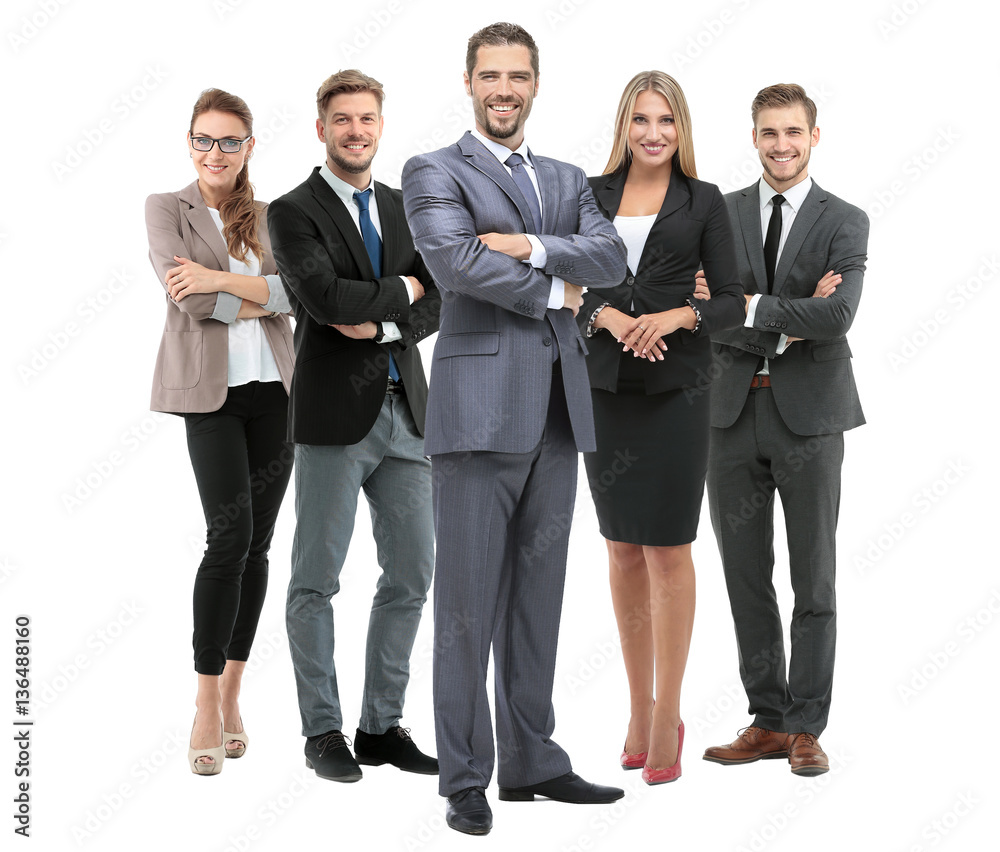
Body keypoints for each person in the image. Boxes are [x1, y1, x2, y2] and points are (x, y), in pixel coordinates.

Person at [401, 22, 628, 836]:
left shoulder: (567, 178)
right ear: (468, 82)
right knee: (464, 606)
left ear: (536, 84)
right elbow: (456, 262)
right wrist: (557, 290)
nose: (505, 88)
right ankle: (465, 775)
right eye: (491, 74)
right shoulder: (432, 169)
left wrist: (532, 243)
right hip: (475, 418)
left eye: (518, 75)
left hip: (559, 414)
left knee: (538, 601)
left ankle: (533, 761)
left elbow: (611, 260)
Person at [266, 70, 441, 784]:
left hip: (410, 416)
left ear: (380, 123)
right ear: (321, 129)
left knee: (411, 575)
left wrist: (382, 315)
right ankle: (323, 731)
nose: (357, 131)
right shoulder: (292, 210)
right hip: (335, 419)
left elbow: (442, 302)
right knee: (316, 578)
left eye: (367, 118)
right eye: (343, 120)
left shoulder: (406, 207)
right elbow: (322, 296)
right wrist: (401, 292)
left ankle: (379, 726)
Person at [577, 71, 745, 786]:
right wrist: (611, 318)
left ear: (681, 129)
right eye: (641, 119)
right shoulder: (587, 195)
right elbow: (564, 284)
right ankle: (639, 708)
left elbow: (732, 300)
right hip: (605, 386)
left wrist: (674, 318)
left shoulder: (704, 202)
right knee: (620, 550)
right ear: (624, 125)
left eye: (665, 121)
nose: (653, 133)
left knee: (668, 550)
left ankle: (671, 709)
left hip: (678, 389)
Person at [697, 83, 868, 776]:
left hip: (811, 421)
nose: (781, 145)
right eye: (769, 132)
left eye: (793, 132)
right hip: (728, 415)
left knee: (814, 579)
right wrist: (787, 321)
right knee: (744, 576)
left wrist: (750, 307)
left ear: (814, 136)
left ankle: (806, 727)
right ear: (754, 136)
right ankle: (766, 720)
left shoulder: (845, 219)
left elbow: (838, 318)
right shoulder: (719, 212)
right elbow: (703, 312)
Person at [145, 88, 295, 775]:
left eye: (230, 141)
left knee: (259, 544)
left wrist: (240, 286)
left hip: (279, 393)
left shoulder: (271, 216)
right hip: (210, 397)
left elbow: (300, 297)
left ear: (249, 147)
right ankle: (205, 701)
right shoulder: (164, 209)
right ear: (190, 142)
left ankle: (235, 691)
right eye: (204, 139)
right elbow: (192, 298)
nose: (216, 152)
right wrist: (250, 292)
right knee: (227, 536)